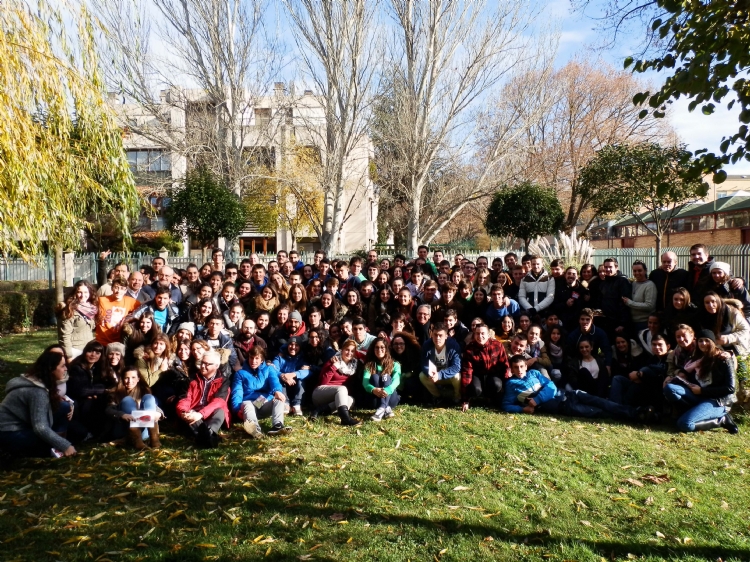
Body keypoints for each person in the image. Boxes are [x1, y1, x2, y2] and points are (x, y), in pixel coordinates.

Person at [502, 355, 647, 422]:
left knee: (602, 402)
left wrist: (538, 399)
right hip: (564, 406)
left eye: (522, 366)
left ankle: (636, 412)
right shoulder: (511, 384)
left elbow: (551, 386)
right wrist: (523, 409)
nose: (520, 370)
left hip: (570, 394)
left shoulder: (534, 373)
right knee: (598, 412)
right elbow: (506, 405)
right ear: (512, 369)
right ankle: (636, 415)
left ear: (526, 366)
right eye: (516, 367)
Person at [0, 349, 77, 458]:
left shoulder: (40, 381)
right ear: (51, 369)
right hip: (8, 431)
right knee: (48, 444)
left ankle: (57, 444)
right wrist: (65, 446)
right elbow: (40, 427)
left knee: (63, 408)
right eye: (62, 366)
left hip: (24, 425)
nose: (66, 369)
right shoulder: (37, 391)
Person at [662, 330, 738, 433]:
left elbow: (730, 388)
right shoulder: (696, 360)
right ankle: (686, 413)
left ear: (712, 343)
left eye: (707, 341)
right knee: (670, 388)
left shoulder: (723, 359)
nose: (703, 344)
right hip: (699, 397)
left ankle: (722, 420)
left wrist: (702, 391)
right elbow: (684, 374)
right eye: (700, 341)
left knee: (684, 424)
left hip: (718, 401)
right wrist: (671, 378)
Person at [231, 347, 291, 438]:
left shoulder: (269, 369)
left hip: (262, 401)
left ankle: (277, 425)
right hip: (248, 404)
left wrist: (277, 391)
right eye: (251, 358)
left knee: (278, 399)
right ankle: (254, 429)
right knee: (247, 404)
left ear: (262, 359)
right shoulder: (240, 374)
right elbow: (237, 392)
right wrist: (237, 409)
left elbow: (274, 381)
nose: (253, 361)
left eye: (257, 358)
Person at [177, 350, 231, 448]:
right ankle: (210, 438)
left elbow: (218, 402)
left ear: (216, 365)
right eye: (202, 363)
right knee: (190, 416)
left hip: (210, 413)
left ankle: (206, 434)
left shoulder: (223, 381)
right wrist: (184, 412)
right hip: (194, 413)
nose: (202, 366)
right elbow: (184, 399)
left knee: (220, 411)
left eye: (207, 364)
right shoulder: (191, 379)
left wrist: (201, 414)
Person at [104, 367, 162, 450]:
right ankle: (137, 442)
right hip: (124, 429)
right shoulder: (115, 392)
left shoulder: (144, 391)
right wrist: (122, 414)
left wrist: (159, 413)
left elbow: (154, 405)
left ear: (138, 379)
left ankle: (154, 439)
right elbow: (108, 410)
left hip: (144, 431)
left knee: (149, 397)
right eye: (126, 378)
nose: (130, 381)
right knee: (127, 400)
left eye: (133, 377)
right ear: (122, 379)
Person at [609, 335, 670, 411]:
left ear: (667, 346)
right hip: (641, 385)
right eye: (654, 345)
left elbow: (660, 372)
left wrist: (641, 374)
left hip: (656, 390)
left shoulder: (670, 357)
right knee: (617, 379)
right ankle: (615, 407)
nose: (657, 347)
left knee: (637, 384)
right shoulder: (652, 359)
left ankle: (622, 409)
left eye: (660, 345)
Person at [311, 339, 362, 426]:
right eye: (347, 350)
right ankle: (345, 419)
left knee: (350, 400)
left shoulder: (353, 366)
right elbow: (323, 382)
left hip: (336, 396)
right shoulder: (333, 361)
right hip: (320, 393)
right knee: (342, 389)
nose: (349, 353)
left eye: (352, 351)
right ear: (342, 350)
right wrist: (334, 367)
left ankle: (320, 410)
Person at [460, 323, 509, 412]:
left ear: (488, 335)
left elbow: (504, 365)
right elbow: (466, 373)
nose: (480, 336)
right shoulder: (469, 349)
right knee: (476, 389)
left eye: (483, 333)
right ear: (474, 335)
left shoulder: (497, 345)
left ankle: (490, 397)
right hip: (477, 374)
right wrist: (465, 400)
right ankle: (476, 396)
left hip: (493, 373)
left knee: (497, 384)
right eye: (477, 333)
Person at [419, 323, 462, 405]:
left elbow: (456, 367)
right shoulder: (427, 345)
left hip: (448, 376)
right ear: (431, 334)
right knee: (422, 376)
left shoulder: (453, 346)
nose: (437, 338)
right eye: (435, 335)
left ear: (446, 336)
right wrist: (430, 373)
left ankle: (457, 397)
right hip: (434, 377)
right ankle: (437, 396)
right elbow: (424, 364)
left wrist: (439, 375)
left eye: (440, 335)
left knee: (457, 376)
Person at [699, 292, 750, 356]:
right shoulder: (702, 316)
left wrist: (728, 338)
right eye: (707, 302)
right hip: (717, 350)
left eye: (713, 301)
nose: (711, 305)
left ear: (718, 301)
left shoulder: (732, 313)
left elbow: (746, 330)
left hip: (738, 348)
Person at [57, 280, 97, 361]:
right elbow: (64, 335)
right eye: (79, 292)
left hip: (89, 349)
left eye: (86, 292)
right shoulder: (69, 310)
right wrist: (69, 356)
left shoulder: (92, 308)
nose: (83, 295)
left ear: (90, 293)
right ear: (75, 293)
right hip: (75, 350)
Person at [362, 337, 401, 421]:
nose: (379, 349)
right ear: (373, 349)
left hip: (391, 398)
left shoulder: (395, 364)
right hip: (375, 398)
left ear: (386, 349)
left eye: (382, 347)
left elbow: (396, 380)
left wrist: (387, 389)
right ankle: (385, 408)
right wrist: (373, 389)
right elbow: (365, 382)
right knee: (375, 377)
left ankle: (382, 408)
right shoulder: (369, 365)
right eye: (377, 347)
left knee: (386, 377)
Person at [272, 336, 311, 416]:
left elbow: (308, 371)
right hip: (283, 387)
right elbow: (272, 369)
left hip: (296, 387)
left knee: (301, 381)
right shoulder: (280, 356)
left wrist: (294, 374)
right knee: (279, 379)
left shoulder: (303, 357)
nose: (293, 347)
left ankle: (297, 404)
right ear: (287, 345)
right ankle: (285, 403)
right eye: (291, 344)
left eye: (296, 345)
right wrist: (282, 375)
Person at [96, 276, 138, 346]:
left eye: (122, 288)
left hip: (119, 341)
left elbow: (143, 308)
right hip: (102, 340)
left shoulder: (130, 301)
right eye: (116, 287)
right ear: (112, 288)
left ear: (125, 290)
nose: (118, 291)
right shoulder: (101, 300)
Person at [623, 261, 657, 332]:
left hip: (644, 323)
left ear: (645, 271)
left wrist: (629, 303)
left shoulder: (650, 285)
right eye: (635, 271)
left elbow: (649, 306)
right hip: (632, 322)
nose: (637, 273)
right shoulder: (633, 284)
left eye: (639, 270)